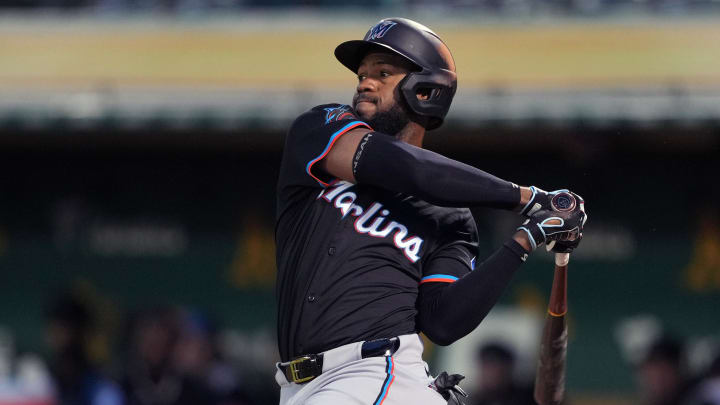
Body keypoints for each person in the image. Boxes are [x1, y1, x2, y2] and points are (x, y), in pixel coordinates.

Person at [274, 17, 587, 405]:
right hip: (302, 387)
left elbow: (442, 320)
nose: (364, 83)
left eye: (382, 73)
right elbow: (411, 169)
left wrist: (524, 239)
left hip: (372, 375)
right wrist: (527, 197)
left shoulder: (449, 216)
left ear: (425, 91)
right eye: (362, 74)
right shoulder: (318, 130)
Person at [470, 342, 535, 405]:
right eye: (484, 367)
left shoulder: (527, 397)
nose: (486, 374)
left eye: (493, 366)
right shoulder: (476, 400)